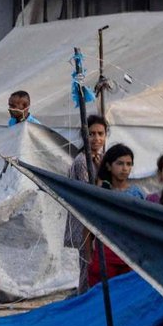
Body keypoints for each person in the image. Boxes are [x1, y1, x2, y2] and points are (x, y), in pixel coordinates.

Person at [63, 114, 108, 293]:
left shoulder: (101, 158)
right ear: (84, 135)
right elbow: (89, 193)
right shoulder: (83, 161)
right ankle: (84, 298)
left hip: (97, 219)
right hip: (85, 223)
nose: (96, 138)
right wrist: (102, 173)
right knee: (87, 267)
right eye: (91, 134)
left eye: (100, 134)